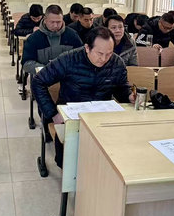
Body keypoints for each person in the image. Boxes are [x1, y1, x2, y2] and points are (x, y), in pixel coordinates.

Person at [32, 27, 133, 167]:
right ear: (87, 48)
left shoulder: (117, 62)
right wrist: (53, 113)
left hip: (101, 118)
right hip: (72, 117)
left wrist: (129, 96)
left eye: (109, 54)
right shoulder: (69, 59)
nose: (104, 59)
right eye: (100, 53)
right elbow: (38, 82)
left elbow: (121, 88)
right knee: (70, 163)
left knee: (106, 161)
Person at [21, 4, 83, 80]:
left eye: (58, 22)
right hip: (43, 78)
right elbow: (26, 63)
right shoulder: (34, 38)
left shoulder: (72, 35)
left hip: (69, 78)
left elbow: (82, 57)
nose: (55, 25)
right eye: (52, 22)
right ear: (45, 20)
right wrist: (46, 70)